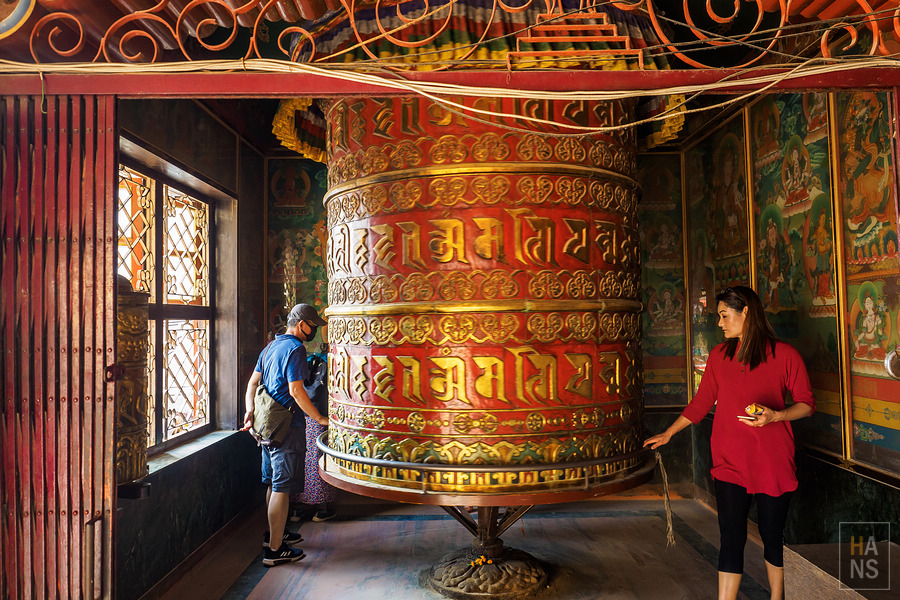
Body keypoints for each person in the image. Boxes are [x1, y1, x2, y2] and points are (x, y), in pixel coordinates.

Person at [644, 286, 815, 600]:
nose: (720, 323)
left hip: (772, 460)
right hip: (729, 460)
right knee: (731, 538)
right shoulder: (719, 355)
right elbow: (701, 403)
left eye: (724, 315)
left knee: (772, 537)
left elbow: (806, 404)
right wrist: (669, 432)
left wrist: (776, 416)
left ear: (745, 311)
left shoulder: (784, 355)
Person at [243, 303, 329, 567]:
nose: (314, 331)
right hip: (286, 428)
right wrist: (320, 418)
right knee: (281, 486)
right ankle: (275, 550)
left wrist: (249, 411)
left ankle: (274, 535)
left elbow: (253, 383)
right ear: (301, 324)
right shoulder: (295, 349)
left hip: (265, 425)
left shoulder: (271, 346)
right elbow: (296, 391)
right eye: (312, 326)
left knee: (272, 482)